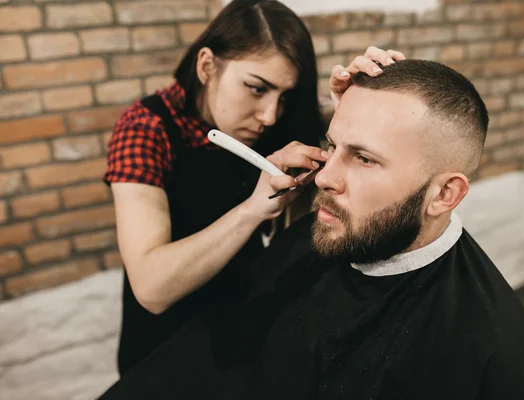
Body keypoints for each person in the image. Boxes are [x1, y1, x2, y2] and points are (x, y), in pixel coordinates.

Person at [99, 59, 524, 399]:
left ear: (444, 195)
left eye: (366, 158)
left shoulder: (503, 363)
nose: (325, 177)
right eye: (334, 146)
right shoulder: (309, 246)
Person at [103, 0, 406, 376]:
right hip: (164, 346)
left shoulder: (279, 116)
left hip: (246, 324)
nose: (269, 116)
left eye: (284, 96)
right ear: (206, 66)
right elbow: (151, 288)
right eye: (255, 88)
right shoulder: (146, 128)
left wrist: (348, 107)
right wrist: (252, 210)